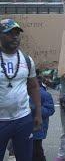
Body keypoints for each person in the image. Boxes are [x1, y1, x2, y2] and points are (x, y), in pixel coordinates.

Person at [0, 19, 42, 161]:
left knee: (25, 158)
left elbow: (34, 87)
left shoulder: (27, 60)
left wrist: (38, 114)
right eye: (10, 33)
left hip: (23, 119)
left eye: (17, 33)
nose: (15, 37)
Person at [30, 73, 55, 161]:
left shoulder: (44, 94)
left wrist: (36, 108)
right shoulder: (23, 92)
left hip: (38, 129)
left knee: (37, 151)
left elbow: (50, 110)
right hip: (24, 127)